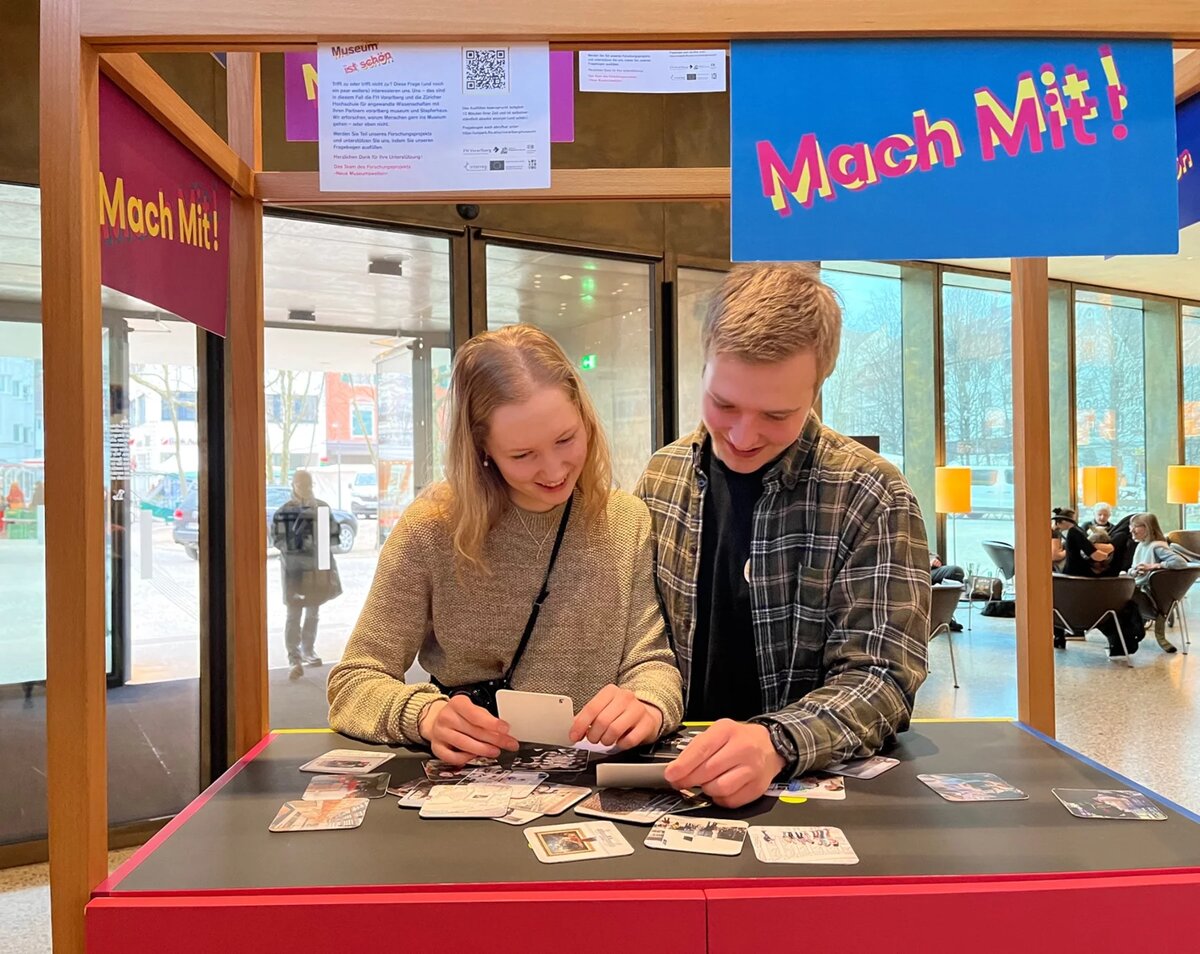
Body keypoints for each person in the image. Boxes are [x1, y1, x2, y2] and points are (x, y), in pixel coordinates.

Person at [636, 263, 930, 809]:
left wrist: (775, 741)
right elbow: (639, 636)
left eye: (777, 414)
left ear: (817, 388)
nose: (744, 436)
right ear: (702, 366)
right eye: (723, 404)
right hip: (671, 779)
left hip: (808, 789)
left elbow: (883, 677)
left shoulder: (871, 493)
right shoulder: (663, 474)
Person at [328, 324, 683, 763]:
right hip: (471, 780)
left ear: (585, 418)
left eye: (566, 439)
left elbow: (653, 664)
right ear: (482, 448)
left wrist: (648, 703)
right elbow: (354, 681)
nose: (554, 469)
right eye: (523, 455)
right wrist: (425, 716)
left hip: (594, 778)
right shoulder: (432, 528)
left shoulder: (625, 520)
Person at [272, 469, 343, 680]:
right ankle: (294, 658)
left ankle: (308, 649)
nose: (305, 489)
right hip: (294, 571)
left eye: (309, 485)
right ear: (293, 485)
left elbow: (334, 536)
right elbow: (278, 541)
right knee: (293, 615)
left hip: (316, 570)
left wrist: (321, 537)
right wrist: (300, 541)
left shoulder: (321, 508)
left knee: (313, 612)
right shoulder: (284, 512)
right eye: (301, 485)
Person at [1105, 512, 1188, 655]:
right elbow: (1133, 568)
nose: (1131, 530)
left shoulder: (1157, 546)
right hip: (1136, 584)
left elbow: (1181, 562)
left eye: (1136, 526)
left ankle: (1126, 638)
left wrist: (1154, 566)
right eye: (1131, 526)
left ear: (1148, 528)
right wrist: (1133, 572)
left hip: (1146, 593)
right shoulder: (1141, 545)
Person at [930, 552, 965, 631]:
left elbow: (930, 553)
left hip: (927, 569)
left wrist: (932, 560)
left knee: (956, 572)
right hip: (907, 573)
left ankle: (945, 618)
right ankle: (937, 620)